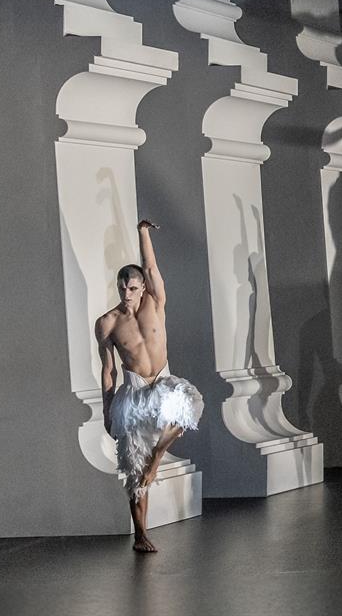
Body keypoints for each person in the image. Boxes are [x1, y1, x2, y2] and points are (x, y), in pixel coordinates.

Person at [94, 218, 203, 553]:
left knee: (188, 403)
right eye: (121, 288)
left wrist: (143, 233)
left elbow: (151, 266)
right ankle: (140, 534)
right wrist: (107, 411)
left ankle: (157, 458)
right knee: (133, 468)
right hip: (133, 391)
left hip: (163, 382)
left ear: (143, 288)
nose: (126, 294)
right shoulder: (107, 322)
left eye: (132, 288)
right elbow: (108, 370)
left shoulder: (155, 303)